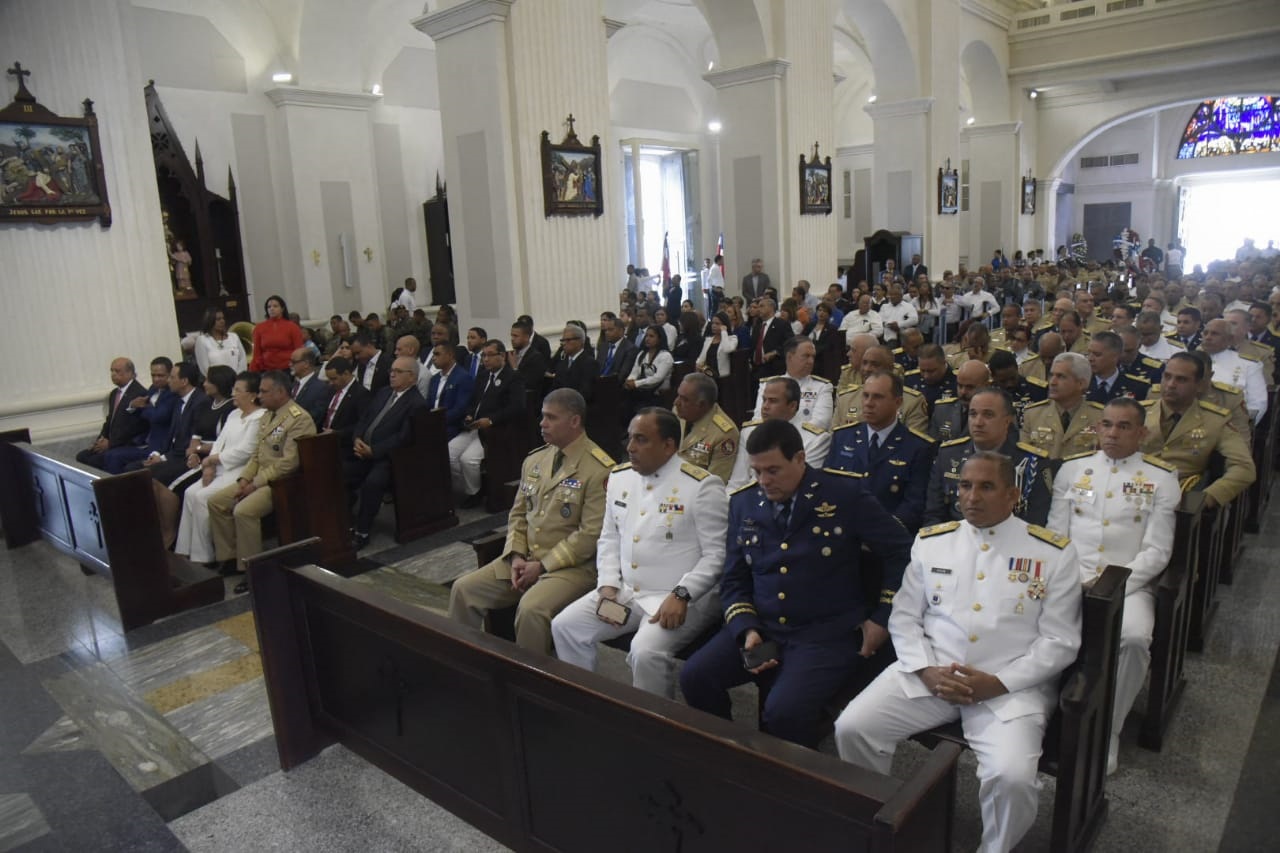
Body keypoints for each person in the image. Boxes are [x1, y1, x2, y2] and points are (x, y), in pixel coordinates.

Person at [835, 452, 1082, 853]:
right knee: (854, 727)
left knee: (1012, 778)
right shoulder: (934, 542)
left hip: (1008, 687)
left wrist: (999, 682)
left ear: (1012, 494)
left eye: (986, 487)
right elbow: (904, 618)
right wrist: (926, 669)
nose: (972, 496)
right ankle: (884, 821)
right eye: (965, 485)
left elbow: (1060, 641)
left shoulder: (1051, 553)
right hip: (932, 674)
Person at [679, 419, 914, 748]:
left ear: (800, 459)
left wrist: (882, 618)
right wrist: (746, 628)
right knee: (695, 677)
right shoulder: (744, 503)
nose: (763, 481)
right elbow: (734, 577)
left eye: (773, 470)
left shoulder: (844, 494)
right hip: (763, 625)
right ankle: (728, 752)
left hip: (824, 633)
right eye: (757, 471)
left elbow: (901, 552)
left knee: (782, 713)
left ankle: (798, 781)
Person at [551, 408, 728, 697]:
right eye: (630, 438)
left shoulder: (701, 486)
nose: (630, 447)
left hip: (681, 597)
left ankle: (657, 725)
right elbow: (608, 538)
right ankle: (585, 706)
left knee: (644, 652)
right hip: (627, 590)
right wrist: (607, 585)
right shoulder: (621, 478)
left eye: (641, 440)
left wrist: (682, 593)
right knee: (566, 627)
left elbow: (716, 556)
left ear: (669, 445)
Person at [1049, 397, 1178, 774]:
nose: (1112, 433)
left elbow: (1157, 551)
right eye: (1106, 424)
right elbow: (1057, 536)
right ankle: (1044, 717)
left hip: (1128, 582)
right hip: (1072, 574)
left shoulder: (1161, 478)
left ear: (1141, 432)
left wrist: (1109, 586)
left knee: (1135, 640)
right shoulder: (1073, 470)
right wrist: (1071, 580)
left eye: (1123, 426)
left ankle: (1109, 731)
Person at [449, 389, 614, 653]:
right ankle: (463, 663)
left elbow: (590, 534)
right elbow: (518, 514)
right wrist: (515, 556)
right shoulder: (536, 459)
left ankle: (528, 683)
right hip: (524, 559)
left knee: (531, 609)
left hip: (571, 569)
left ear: (574, 421)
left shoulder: (599, 468)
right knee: (463, 590)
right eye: (542, 416)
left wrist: (543, 565)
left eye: (550, 417)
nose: (542, 423)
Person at [207, 370, 316, 593]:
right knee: (216, 501)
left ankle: (254, 570)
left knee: (243, 510)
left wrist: (255, 484)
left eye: (264, 392)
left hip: (281, 482)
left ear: (281, 392)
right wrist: (244, 479)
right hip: (258, 477)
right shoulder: (268, 415)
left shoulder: (299, 419)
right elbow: (257, 455)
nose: (259, 396)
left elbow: (288, 463)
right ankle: (230, 558)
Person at [1139, 353, 1255, 510]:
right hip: (1131, 491)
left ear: (1200, 385)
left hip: (1179, 500)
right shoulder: (1139, 412)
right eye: (1167, 376)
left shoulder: (1215, 421)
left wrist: (1206, 499)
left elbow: (1244, 468)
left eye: (1181, 379)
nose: (1171, 384)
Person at [175, 372, 267, 566]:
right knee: (190, 493)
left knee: (202, 497)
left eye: (238, 390)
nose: (233, 393)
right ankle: (185, 550)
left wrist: (214, 460)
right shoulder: (233, 414)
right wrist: (209, 463)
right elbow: (220, 442)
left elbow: (246, 450)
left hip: (240, 469)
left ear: (252, 395)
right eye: (233, 389)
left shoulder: (259, 417)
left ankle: (204, 556)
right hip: (218, 465)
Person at [826, 371, 935, 533]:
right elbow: (828, 488)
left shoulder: (918, 447)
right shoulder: (843, 437)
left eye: (878, 397)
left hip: (889, 539)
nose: (868, 403)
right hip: (841, 534)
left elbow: (914, 504)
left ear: (898, 402)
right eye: (866, 396)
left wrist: (879, 532)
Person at [925, 388, 1053, 527]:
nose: (978, 422)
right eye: (973, 414)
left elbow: (1036, 522)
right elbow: (933, 515)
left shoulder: (1031, 462)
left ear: (1007, 421)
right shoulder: (948, 455)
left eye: (988, 415)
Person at [346, 357, 428, 549]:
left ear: (412, 378)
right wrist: (357, 437)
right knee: (340, 473)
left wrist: (374, 451)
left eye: (398, 372)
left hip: (391, 458)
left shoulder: (416, 403)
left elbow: (404, 437)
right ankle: (346, 521)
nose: (392, 374)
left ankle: (362, 531)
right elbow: (364, 418)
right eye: (392, 370)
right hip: (363, 451)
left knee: (373, 483)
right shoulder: (384, 392)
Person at [450, 340, 526, 507]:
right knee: (450, 453)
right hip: (473, 428)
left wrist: (491, 420)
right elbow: (473, 400)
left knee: (468, 460)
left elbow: (516, 407)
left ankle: (474, 493)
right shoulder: (483, 375)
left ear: (502, 356)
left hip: (493, 430)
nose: (485, 359)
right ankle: (468, 487)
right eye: (483, 355)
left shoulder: (512, 377)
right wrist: (469, 414)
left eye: (490, 355)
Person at [728, 377, 830, 490]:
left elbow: (802, 484)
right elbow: (736, 482)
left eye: (773, 401)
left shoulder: (815, 440)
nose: (765, 406)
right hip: (750, 501)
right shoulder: (748, 433)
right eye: (764, 400)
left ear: (792, 406)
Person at [1020, 353, 1105, 459]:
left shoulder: (1100, 417)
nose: (1052, 382)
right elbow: (1024, 459)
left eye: (1061, 376)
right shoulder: (1033, 415)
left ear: (1081, 384)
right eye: (1051, 375)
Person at [103, 358, 177, 474]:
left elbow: (158, 416)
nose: (156, 379)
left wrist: (143, 407)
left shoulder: (172, 393)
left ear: (170, 375)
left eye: (160, 375)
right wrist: (133, 406)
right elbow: (142, 411)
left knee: (115, 456)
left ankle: (118, 490)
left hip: (160, 446)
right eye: (153, 375)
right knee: (109, 454)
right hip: (143, 441)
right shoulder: (153, 389)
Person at [833, 345, 930, 433]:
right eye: (864, 363)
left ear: (890, 368)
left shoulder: (912, 402)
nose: (867, 369)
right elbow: (835, 438)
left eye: (875, 364)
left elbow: (914, 443)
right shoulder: (845, 399)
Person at [76, 358, 149, 470]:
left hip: (126, 444)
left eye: (117, 371)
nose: (113, 374)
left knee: (94, 461)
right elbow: (110, 420)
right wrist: (100, 440)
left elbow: (134, 427)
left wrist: (110, 443)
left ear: (129, 373)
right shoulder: (114, 393)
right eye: (112, 371)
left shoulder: (139, 393)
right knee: (82, 456)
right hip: (112, 442)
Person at [751, 336, 834, 429]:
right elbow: (759, 418)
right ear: (790, 357)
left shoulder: (822, 387)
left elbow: (821, 422)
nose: (811, 361)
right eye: (806, 356)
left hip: (807, 441)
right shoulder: (768, 385)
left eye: (813, 357)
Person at [673, 372, 738, 483]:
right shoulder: (679, 411)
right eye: (678, 395)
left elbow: (715, 483)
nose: (676, 402)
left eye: (684, 399)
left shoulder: (723, 434)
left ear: (702, 404)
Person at [1200, 318, 1267, 424]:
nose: (1208, 337)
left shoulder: (1249, 365)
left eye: (1215, 334)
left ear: (1230, 339)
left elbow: (1258, 403)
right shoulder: (1186, 358)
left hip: (1230, 426)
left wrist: (1242, 427)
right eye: (1205, 333)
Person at [928, 360, 990, 442]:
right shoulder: (942, 410)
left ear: (986, 386)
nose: (963, 392)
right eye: (960, 386)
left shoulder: (995, 415)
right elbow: (933, 448)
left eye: (970, 387)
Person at [320, 356, 369, 455]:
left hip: (344, 447)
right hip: (324, 441)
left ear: (346, 374)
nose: (330, 383)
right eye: (329, 379)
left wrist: (337, 433)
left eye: (334, 379)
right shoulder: (331, 390)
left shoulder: (361, 394)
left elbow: (362, 424)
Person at [425, 342, 474, 440]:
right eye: (433, 354)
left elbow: (460, 409)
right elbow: (429, 404)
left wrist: (437, 421)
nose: (433, 358)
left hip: (452, 428)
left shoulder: (463, 377)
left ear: (450, 355)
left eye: (437, 354)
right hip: (433, 426)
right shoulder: (434, 379)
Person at [1085, 331, 1150, 404]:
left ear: (1116, 356)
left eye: (1097, 354)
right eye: (1088, 353)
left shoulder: (1137, 387)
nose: (1090, 359)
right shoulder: (1080, 382)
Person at [989, 349, 1047, 430]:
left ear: (1017, 369)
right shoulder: (986, 394)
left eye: (1013, 378)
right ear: (993, 377)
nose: (1009, 384)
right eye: (1003, 381)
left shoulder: (1038, 390)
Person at [250, 295, 305, 372]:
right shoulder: (259, 328)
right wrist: (254, 370)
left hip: (288, 368)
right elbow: (257, 353)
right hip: (266, 369)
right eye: (269, 307)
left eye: (275, 306)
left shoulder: (292, 327)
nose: (271, 309)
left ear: (282, 308)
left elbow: (299, 350)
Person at [624, 325, 674, 410]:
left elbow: (657, 378)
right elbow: (635, 371)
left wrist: (636, 384)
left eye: (651, 336)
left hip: (658, 395)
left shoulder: (665, 356)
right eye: (646, 335)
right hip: (642, 392)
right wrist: (630, 381)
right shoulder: (642, 354)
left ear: (660, 338)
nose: (647, 339)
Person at [192, 307, 247, 376]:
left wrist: (237, 377)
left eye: (223, 318)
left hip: (236, 379)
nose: (222, 321)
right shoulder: (202, 340)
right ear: (210, 321)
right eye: (218, 319)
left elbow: (242, 359)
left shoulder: (233, 337)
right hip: (216, 382)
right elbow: (204, 368)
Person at [288, 347, 332, 429]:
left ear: (306, 364)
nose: (290, 364)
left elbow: (316, 416)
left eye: (293, 362)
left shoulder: (321, 388)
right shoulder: (291, 385)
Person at [551, 324, 598, 399]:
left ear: (580, 341)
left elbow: (586, 392)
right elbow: (555, 389)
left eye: (568, 340)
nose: (563, 343)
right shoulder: (562, 364)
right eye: (562, 340)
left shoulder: (589, 363)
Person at [750, 298, 790, 379]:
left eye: (761, 306)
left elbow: (790, 343)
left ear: (771, 308)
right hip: (757, 368)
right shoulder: (757, 326)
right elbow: (753, 346)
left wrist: (775, 352)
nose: (759, 309)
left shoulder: (781, 324)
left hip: (774, 368)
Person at [509, 318, 549, 390]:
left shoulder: (536, 357)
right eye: (511, 336)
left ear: (526, 337)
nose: (512, 339)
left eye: (516, 336)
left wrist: (515, 368)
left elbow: (529, 384)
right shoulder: (510, 355)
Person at [696, 311, 738, 377]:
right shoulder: (708, 340)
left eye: (717, 323)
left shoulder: (732, 338)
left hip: (723, 376)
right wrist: (698, 365)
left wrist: (724, 331)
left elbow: (727, 349)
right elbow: (702, 358)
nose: (714, 326)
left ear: (724, 325)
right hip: (708, 374)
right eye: (713, 323)